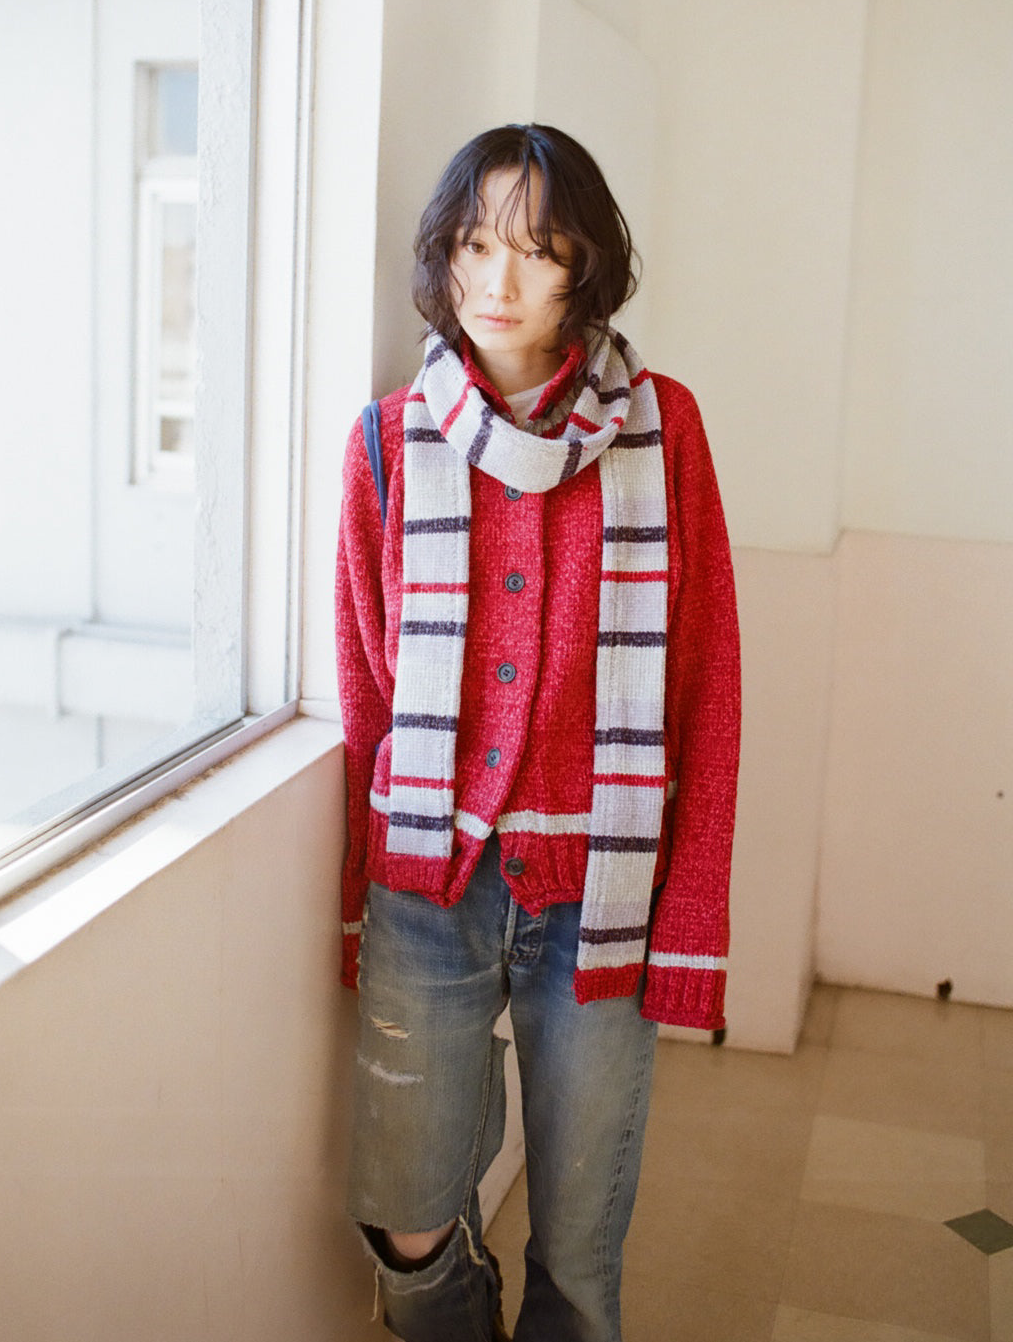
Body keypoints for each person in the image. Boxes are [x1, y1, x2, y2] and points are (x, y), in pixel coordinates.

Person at [335, 123, 740, 1342]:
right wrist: (357, 904)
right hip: (429, 882)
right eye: (473, 244)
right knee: (405, 1218)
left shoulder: (663, 429)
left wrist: (690, 924)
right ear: (442, 257)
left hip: (599, 892)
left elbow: (706, 686)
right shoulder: (387, 440)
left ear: (586, 267)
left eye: (538, 249)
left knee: (576, 1248)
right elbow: (366, 693)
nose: (497, 281)